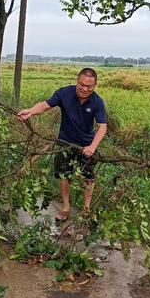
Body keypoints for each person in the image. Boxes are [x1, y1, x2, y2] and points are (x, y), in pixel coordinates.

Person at [18, 68, 107, 221]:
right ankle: (65, 207)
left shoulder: (97, 101)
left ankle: (86, 210)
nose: (85, 89)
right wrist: (31, 111)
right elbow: (45, 105)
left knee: (88, 178)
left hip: (86, 146)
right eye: (82, 85)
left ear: (95, 85)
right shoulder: (64, 93)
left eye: (89, 87)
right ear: (77, 81)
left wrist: (92, 147)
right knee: (64, 176)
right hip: (65, 143)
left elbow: (102, 127)